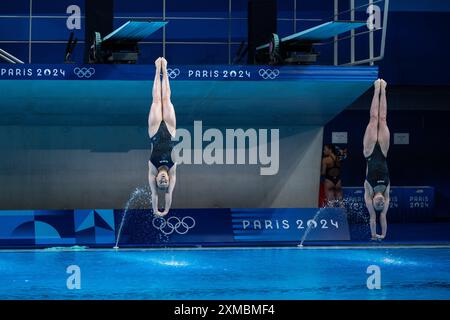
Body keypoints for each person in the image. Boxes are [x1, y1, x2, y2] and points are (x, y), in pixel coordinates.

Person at [148, 57, 177, 217]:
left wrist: (156, 209)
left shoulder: (152, 169)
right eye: (166, 182)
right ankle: (165, 68)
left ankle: (157, 69)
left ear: (157, 179)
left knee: (157, 100)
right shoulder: (172, 171)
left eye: (161, 181)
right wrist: (166, 209)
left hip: (154, 133)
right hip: (171, 131)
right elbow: (168, 193)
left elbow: (155, 194)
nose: (164, 180)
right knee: (167, 99)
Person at [363, 79, 390, 240]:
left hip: (370, 152)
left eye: (377, 205)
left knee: (374, 118)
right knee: (383, 119)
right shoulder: (387, 192)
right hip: (384, 152)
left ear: (372, 201)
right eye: (382, 205)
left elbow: (374, 218)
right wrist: (383, 235)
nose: (380, 204)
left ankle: (376, 89)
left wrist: (374, 235)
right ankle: (384, 90)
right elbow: (383, 217)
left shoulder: (368, 192)